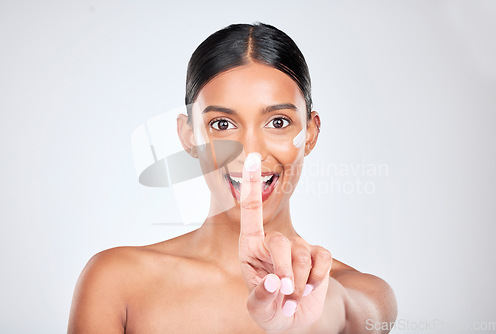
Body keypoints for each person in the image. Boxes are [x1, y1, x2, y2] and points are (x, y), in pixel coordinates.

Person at [68, 22, 397, 333]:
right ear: (188, 136)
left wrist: (312, 318)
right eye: (222, 124)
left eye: (278, 122)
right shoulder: (115, 281)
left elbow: (355, 313)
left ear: (310, 133)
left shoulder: (359, 291)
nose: (250, 154)